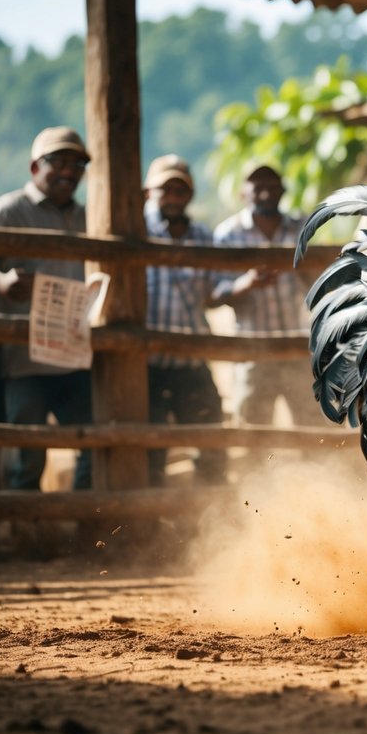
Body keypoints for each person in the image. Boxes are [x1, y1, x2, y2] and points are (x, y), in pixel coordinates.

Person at [0, 126, 94, 492]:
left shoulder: (88, 216)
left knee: (92, 444)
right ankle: (28, 536)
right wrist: (2, 282)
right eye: (60, 162)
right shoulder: (9, 210)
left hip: (75, 354)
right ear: (34, 166)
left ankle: (89, 528)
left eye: (77, 164)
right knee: (28, 455)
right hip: (25, 360)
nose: (69, 171)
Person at [210, 163, 321, 431]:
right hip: (253, 351)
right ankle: (255, 473)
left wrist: (300, 270)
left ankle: (317, 473)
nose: (265, 192)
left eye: (272, 186)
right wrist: (246, 284)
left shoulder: (300, 228)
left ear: (282, 190)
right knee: (253, 430)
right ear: (242, 193)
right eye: (257, 186)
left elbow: (318, 281)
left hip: (299, 346)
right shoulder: (228, 234)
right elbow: (213, 292)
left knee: (313, 425)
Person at [142, 154, 228, 486]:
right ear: (149, 192)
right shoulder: (134, 230)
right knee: (149, 447)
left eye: (181, 191)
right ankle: (147, 527)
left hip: (191, 359)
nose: (174, 197)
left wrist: (243, 284)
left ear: (189, 195)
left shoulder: (202, 235)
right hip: (147, 362)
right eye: (167, 190)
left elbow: (211, 293)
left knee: (210, 440)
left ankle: (208, 519)